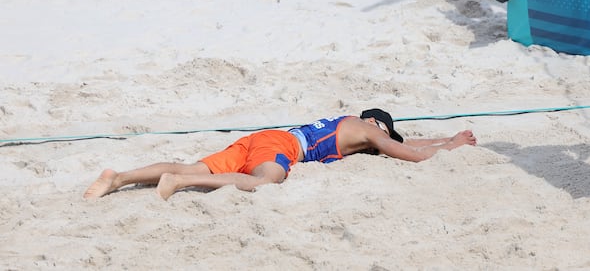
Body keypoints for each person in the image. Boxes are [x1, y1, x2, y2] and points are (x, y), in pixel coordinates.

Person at [83, 109, 477, 200]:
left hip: (261, 137)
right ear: (377, 124)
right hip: (282, 147)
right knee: (265, 180)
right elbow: (407, 153)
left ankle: (117, 178)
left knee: (191, 161)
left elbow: (409, 144)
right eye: (384, 134)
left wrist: (447, 139)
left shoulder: (349, 124)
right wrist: (451, 148)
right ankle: (181, 183)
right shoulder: (364, 129)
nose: (382, 145)